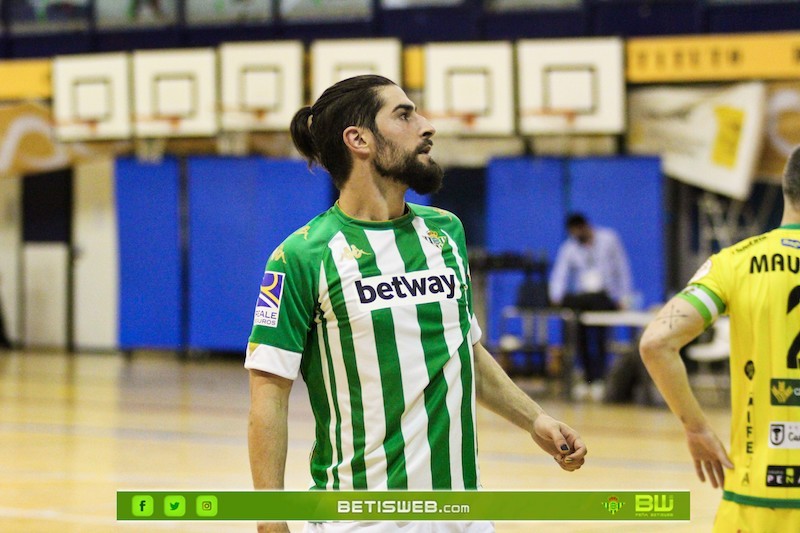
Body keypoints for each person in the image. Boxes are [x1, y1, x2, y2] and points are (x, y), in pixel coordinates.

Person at [245, 75, 587, 533]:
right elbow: (269, 393)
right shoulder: (301, 256)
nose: (427, 126)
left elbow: (462, 349)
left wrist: (535, 419)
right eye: (404, 115)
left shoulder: (446, 232)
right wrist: (270, 519)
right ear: (359, 139)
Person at [639, 146, 800, 531]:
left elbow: (656, 343)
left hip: (756, 499)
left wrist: (695, 427)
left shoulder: (737, 262)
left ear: (785, 187)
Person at [548, 213, 633, 401]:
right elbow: (560, 273)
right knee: (581, 339)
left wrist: (623, 297)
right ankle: (588, 378)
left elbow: (622, 267)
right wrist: (556, 296)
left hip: (605, 296)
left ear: (586, 226)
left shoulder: (608, 239)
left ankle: (600, 379)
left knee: (601, 339)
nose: (577, 235)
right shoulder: (570, 247)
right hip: (584, 300)